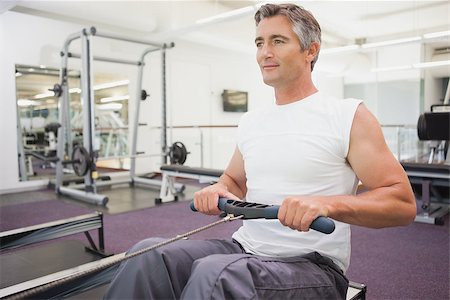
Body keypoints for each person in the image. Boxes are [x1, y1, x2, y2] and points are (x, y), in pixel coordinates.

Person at [104, 3, 416, 299]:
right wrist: (219, 189)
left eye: (278, 41)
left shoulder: (348, 115)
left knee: (216, 275)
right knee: (148, 256)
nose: (264, 53)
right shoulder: (252, 121)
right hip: (245, 250)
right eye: (259, 42)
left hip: (313, 266)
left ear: (311, 50)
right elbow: (234, 181)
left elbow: (401, 202)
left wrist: (326, 204)